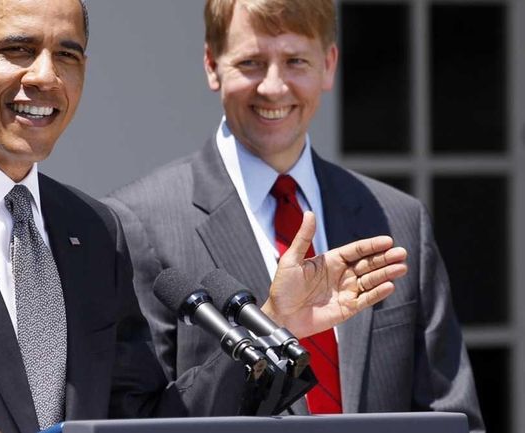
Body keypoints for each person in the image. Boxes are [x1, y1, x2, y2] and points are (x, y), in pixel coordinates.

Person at [0, 0, 407, 432]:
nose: (45, 77)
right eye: (17, 50)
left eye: (68, 55)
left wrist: (275, 322)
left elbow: (146, 421)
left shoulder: (94, 231)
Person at [104, 0, 484, 431]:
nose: (274, 87)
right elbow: (139, 423)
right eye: (251, 62)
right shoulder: (137, 223)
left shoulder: (398, 219)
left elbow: (454, 418)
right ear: (212, 64)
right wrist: (272, 326)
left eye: (295, 61)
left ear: (329, 64)